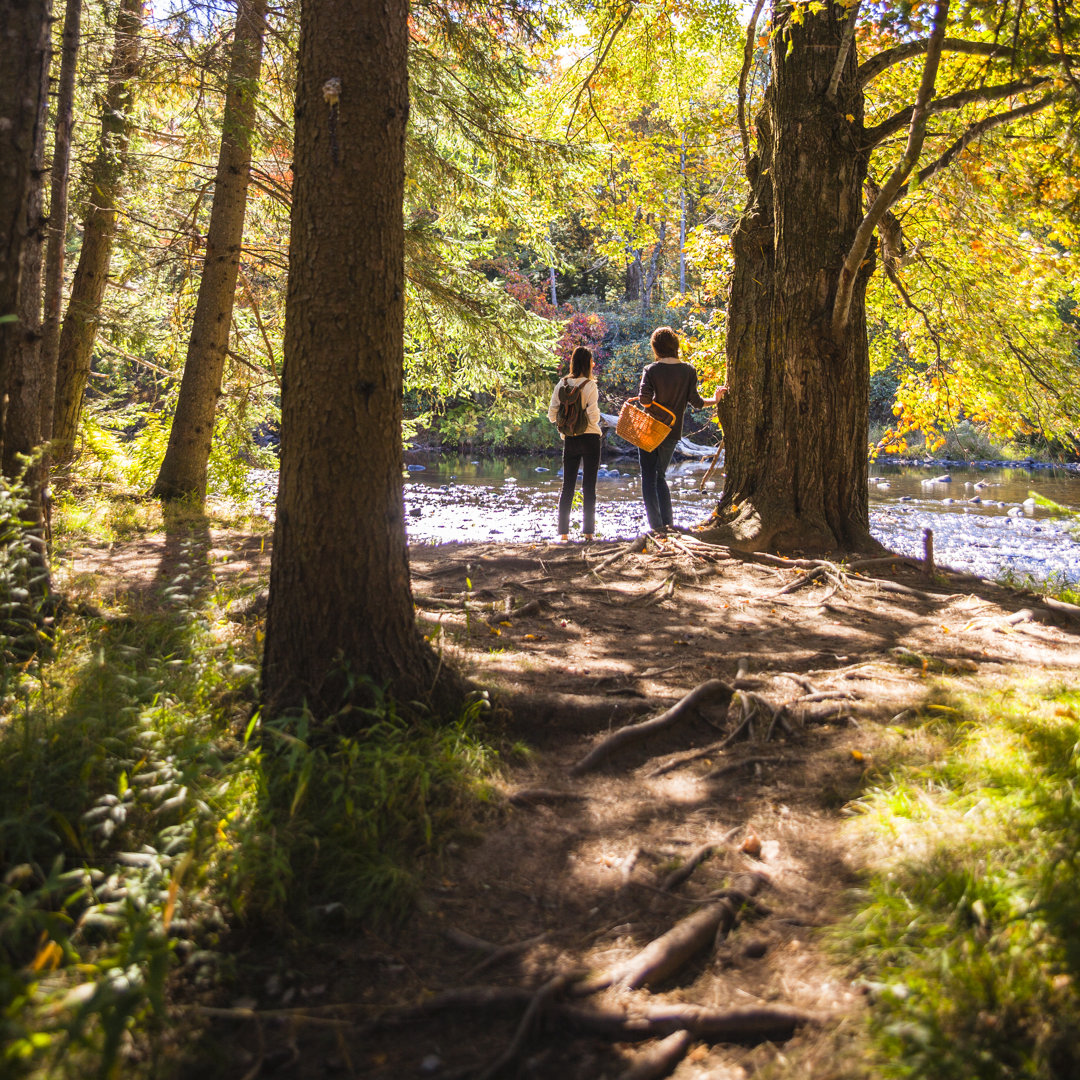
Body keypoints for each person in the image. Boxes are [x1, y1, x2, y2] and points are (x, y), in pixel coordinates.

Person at [636, 326, 721, 534]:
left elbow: (644, 400)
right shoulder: (688, 370)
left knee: (648, 477)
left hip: (650, 429)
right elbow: (697, 403)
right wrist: (716, 400)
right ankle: (668, 523)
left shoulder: (651, 369)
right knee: (660, 476)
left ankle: (656, 527)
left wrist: (656, 408)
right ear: (675, 346)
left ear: (655, 347)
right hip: (672, 432)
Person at [547, 346, 602, 542]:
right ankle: (588, 533)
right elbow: (593, 416)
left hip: (570, 439)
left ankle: (563, 533)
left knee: (567, 486)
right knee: (589, 486)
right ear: (588, 363)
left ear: (572, 362)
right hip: (590, 439)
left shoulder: (562, 383)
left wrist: (566, 425)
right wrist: (590, 423)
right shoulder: (590, 385)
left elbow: (552, 414)